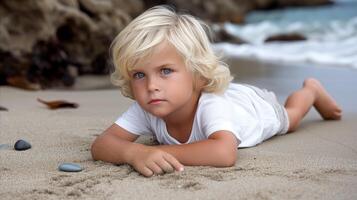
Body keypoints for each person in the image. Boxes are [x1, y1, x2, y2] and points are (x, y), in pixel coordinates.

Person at [91, 6, 342, 177]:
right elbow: (102, 144)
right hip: (231, 97)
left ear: (198, 75)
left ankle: (311, 90)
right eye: (139, 75)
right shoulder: (150, 104)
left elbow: (223, 153)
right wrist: (133, 152)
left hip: (252, 108)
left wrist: (155, 152)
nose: (151, 85)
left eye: (166, 70)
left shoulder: (211, 105)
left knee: (292, 117)